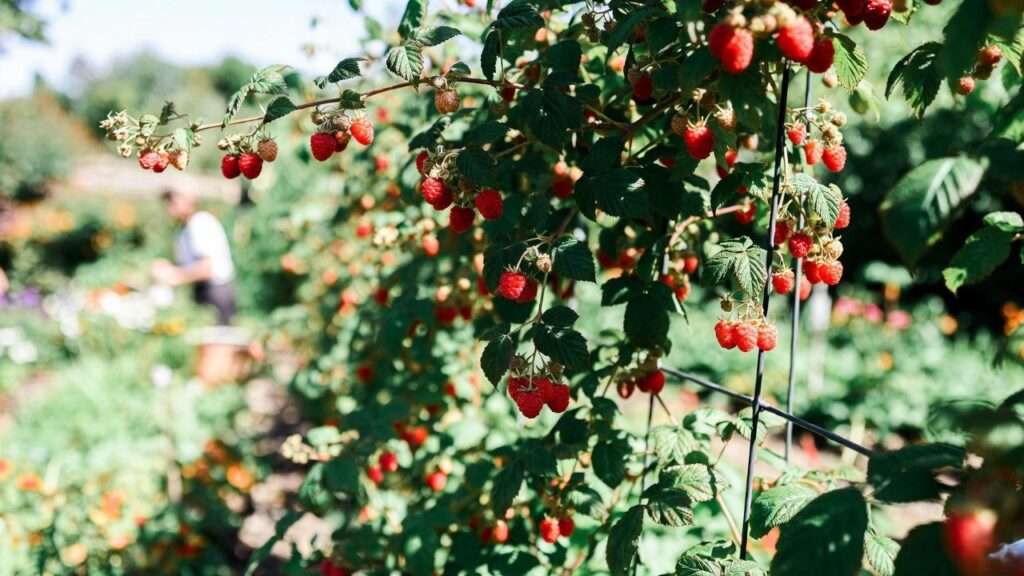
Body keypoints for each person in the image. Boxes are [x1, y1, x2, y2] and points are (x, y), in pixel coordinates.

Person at [153, 188, 236, 324]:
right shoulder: (184, 229)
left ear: (189, 201)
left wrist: (175, 275)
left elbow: (207, 269)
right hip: (204, 290)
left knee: (218, 339)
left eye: (174, 201)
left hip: (216, 292)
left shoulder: (200, 223)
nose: (170, 207)